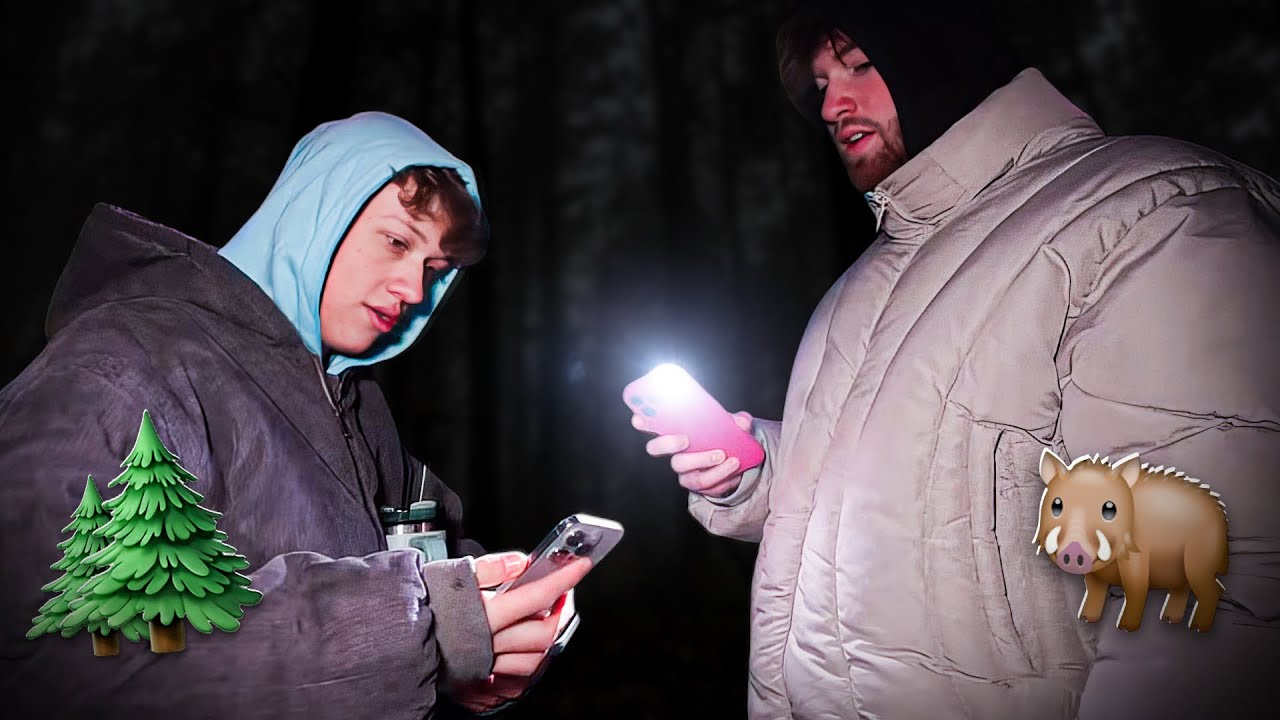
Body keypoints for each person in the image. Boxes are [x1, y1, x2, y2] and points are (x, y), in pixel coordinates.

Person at [631, 1, 1280, 718]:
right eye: (820, 85)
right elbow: (930, 493)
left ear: (944, 56)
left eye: (860, 66)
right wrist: (756, 470)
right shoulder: (862, 285)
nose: (832, 104)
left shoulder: (1149, 215)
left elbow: (1213, 598)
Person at [0, 111, 589, 718]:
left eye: (435, 270)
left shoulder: (357, 414)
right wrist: (419, 631)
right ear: (315, 213)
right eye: (396, 242)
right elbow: (56, 662)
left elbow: (422, 583)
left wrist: (492, 632)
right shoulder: (122, 368)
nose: (414, 290)